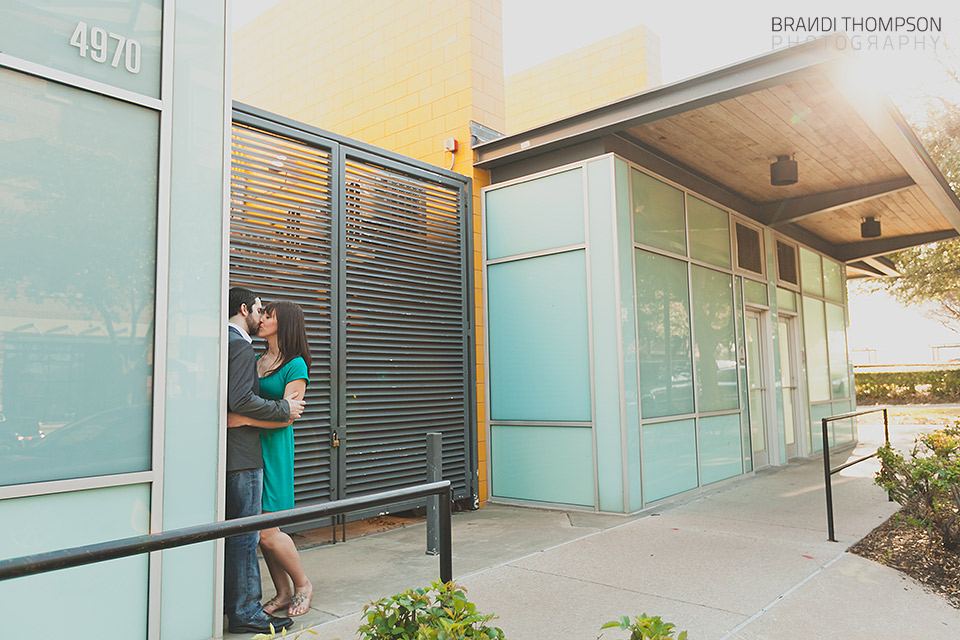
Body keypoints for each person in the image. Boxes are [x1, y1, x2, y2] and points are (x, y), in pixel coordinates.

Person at [225, 287, 305, 634]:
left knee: (267, 532)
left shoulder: (295, 364)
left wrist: (242, 420)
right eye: (262, 312)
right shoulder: (257, 357)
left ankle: (302, 585)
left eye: (269, 315)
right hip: (256, 445)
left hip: (274, 445)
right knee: (259, 533)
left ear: (281, 323)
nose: (263, 318)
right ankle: (283, 591)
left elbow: (289, 416)